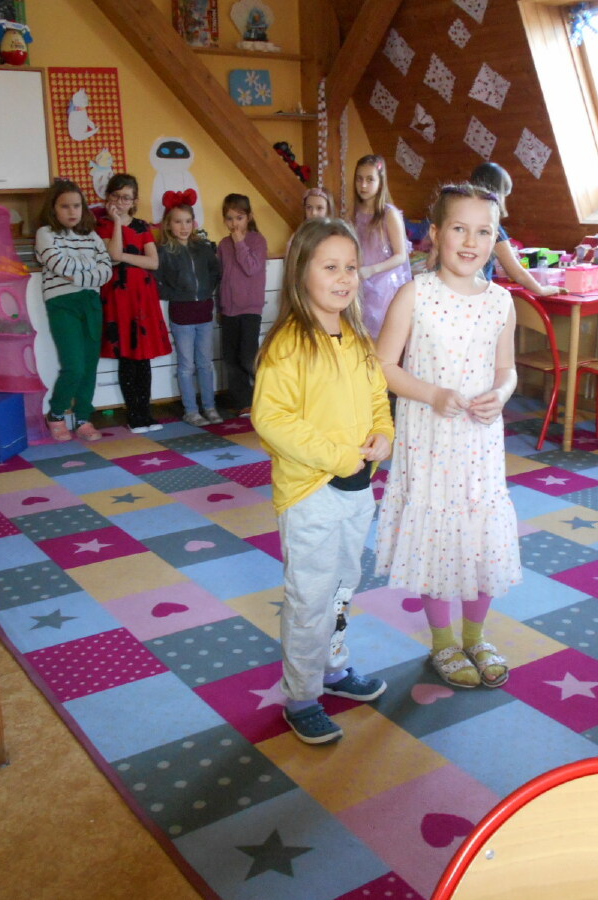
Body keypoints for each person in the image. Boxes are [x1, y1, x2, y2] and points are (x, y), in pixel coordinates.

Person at [251, 217, 394, 745]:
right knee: (309, 598)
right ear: (301, 273)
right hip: (309, 493)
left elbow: (378, 399)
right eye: (330, 267)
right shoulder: (289, 344)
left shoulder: (357, 338)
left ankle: (332, 668)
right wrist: (336, 457)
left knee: (341, 588)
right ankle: (302, 695)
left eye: (351, 267)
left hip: (357, 489)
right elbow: (272, 419)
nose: (344, 278)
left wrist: (384, 434)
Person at [374, 184, 522, 690]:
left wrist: (501, 393)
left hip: (480, 443)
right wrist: (432, 395)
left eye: (484, 231)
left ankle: (475, 637)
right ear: (436, 234)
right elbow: (383, 366)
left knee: (481, 535)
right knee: (437, 536)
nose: (471, 241)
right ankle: (443, 642)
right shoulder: (415, 294)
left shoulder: (501, 301)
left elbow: (507, 369)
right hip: (430, 440)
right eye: (460, 228)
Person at [35, 179, 114, 442]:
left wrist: (79, 274)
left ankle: (82, 418)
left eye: (77, 206)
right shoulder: (46, 233)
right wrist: (89, 270)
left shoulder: (91, 236)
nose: (72, 211)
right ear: (53, 209)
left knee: (89, 366)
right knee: (74, 366)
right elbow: (60, 266)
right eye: (65, 206)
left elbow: (106, 271)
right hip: (62, 304)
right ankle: (56, 414)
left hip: (91, 303)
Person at [97, 174, 171, 433]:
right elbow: (113, 257)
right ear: (108, 197)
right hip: (119, 298)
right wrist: (117, 222)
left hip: (143, 298)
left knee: (143, 357)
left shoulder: (142, 226)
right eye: (116, 196)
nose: (120, 202)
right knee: (127, 356)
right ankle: (134, 415)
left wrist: (126, 256)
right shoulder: (103, 226)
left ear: (134, 201)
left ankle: (146, 413)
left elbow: (153, 262)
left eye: (126, 198)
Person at [156, 202, 222, 427]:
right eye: (178, 222)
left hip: (204, 313)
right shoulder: (164, 251)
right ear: (168, 224)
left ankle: (210, 407)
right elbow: (157, 280)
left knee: (205, 363)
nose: (184, 227)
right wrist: (176, 294)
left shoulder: (202, 248)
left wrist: (206, 292)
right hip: (181, 315)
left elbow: (215, 271)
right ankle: (191, 410)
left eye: (187, 221)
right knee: (186, 366)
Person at [460, 162, 563, 296]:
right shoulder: (491, 227)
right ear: (499, 194)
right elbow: (516, 272)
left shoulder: (458, 217)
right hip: (473, 294)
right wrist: (542, 290)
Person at [216, 194, 267, 418]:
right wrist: (220, 307)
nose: (234, 223)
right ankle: (243, 402)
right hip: (229, 310)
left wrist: (239, 242)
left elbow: (251, 268)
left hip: (249, 309)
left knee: (248, 357)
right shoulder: (223, 245)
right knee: (231, 359)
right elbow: (222, 278)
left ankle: (270, 391)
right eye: (229, 218)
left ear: (249, 217)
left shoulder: (257, 241)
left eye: (239, 217)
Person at [352, 155, 412, 339]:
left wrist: (372, 270)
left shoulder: (389, 214)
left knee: (383, 338)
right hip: (360, 283)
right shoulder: (353, 214)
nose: (363, 185)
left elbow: (401, 255)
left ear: (380, 182)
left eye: (370, 179)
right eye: (359, 179)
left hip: (385, 288)